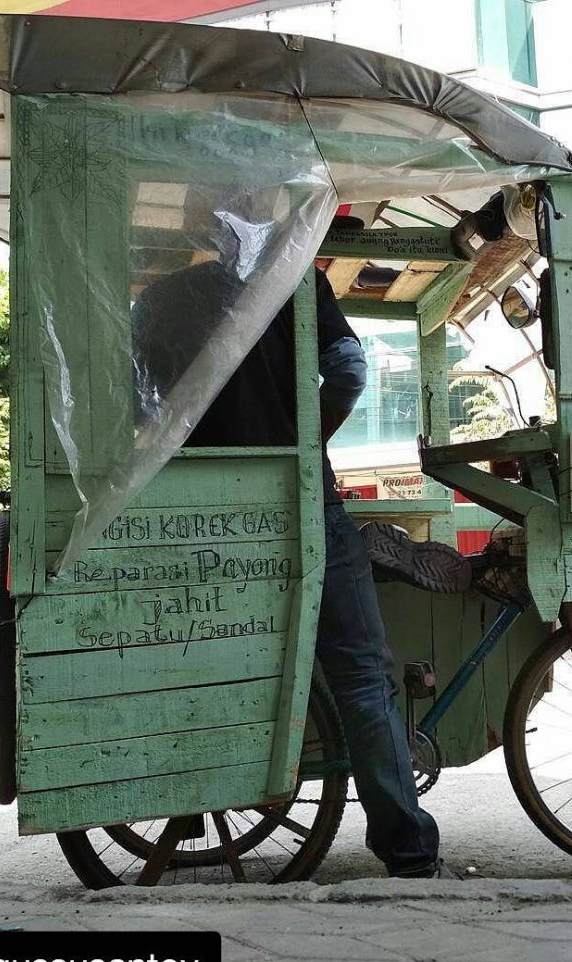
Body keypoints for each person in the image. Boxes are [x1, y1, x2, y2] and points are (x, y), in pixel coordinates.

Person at [133, 259, 449, 878]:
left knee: (221, 661)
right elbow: (351, 370)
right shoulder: (291, 276)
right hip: (300, 502)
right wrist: (306, 439)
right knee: (360, 675)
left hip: (201, 514)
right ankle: (409, 853)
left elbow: (139, 409)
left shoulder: (161, 298)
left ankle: (199, 788)